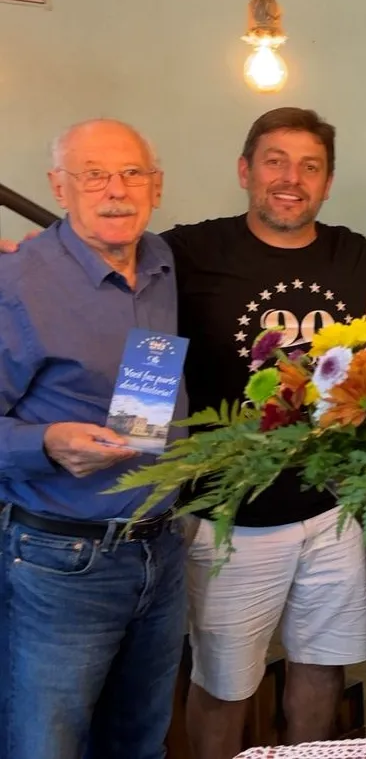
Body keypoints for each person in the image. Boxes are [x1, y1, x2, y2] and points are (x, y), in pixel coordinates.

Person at [165, 108, 366, 758]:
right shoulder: (191, 251)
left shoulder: (357, 255)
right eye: (275, 160)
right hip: (229, 517)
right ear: (245, 170)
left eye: (309, 166)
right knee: (224, 683)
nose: (291, 178)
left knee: (322, 667)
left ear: (327, 183)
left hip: (332, 511)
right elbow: (117, 276)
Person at [0, 119, 187, 758]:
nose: (116, 190)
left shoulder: (161, 260)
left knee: (139, 742)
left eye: (132, 173)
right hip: (60, 560)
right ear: (59, 185)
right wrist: (45, 442)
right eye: (94, 175)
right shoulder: (18, 280)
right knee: (44, 745)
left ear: (156, 186)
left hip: (160, 550)